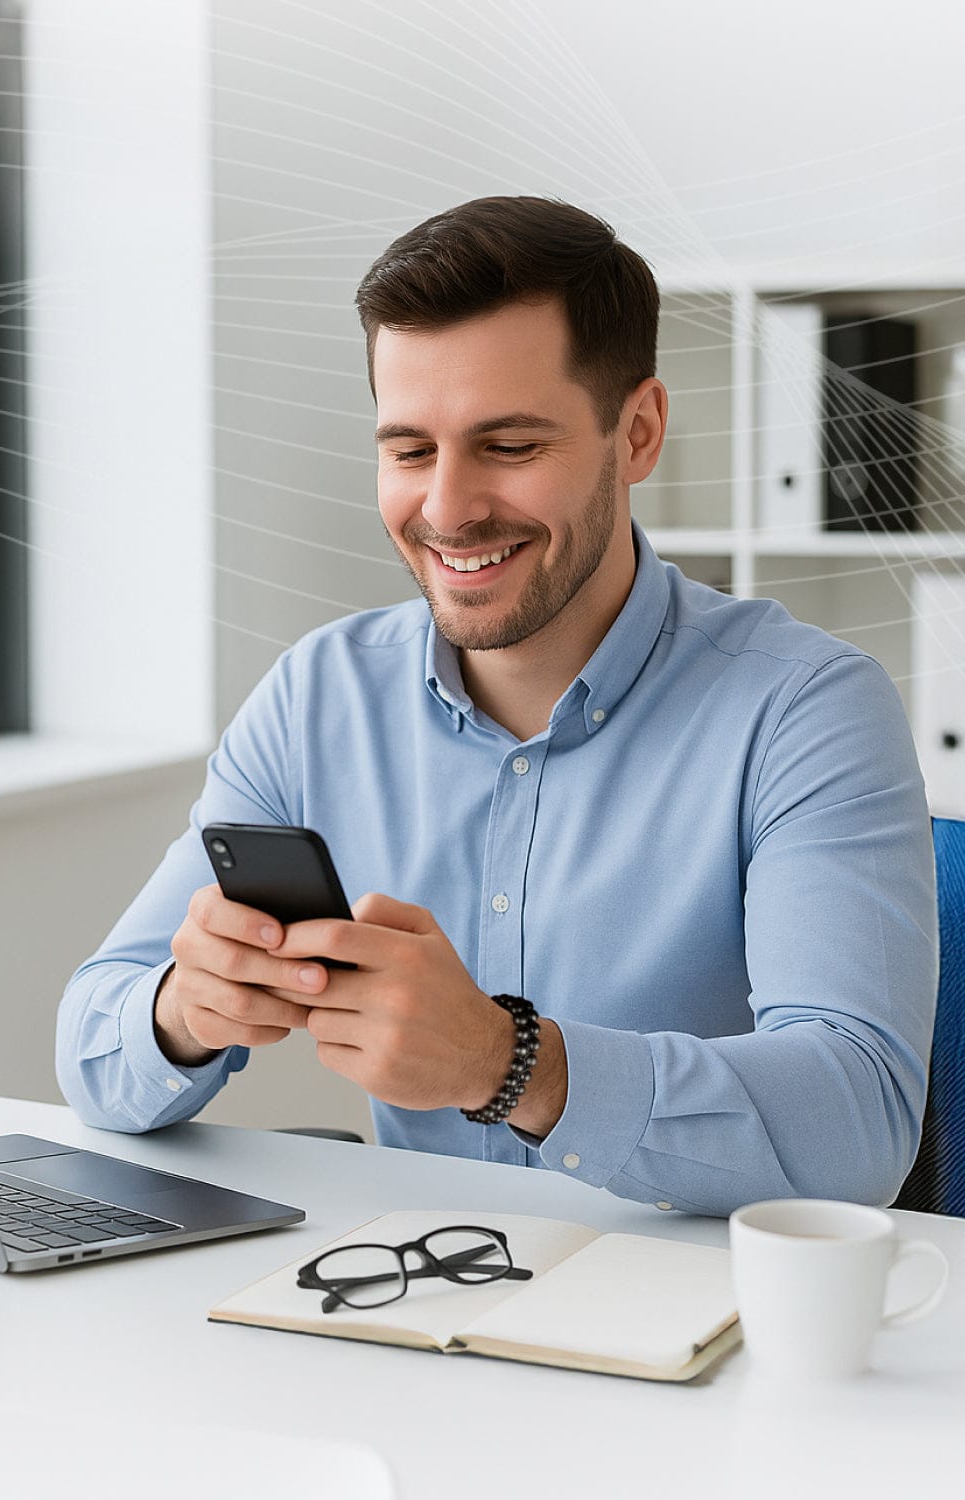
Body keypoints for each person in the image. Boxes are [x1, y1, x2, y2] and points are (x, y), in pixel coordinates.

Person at [56, 196, 936, 1217]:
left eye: (509, 447)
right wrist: (182, 1011)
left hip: (702, 1323)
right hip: (420, 1289)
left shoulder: (804, 708)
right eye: (409, 450)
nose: (447, 508)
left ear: (637, 431)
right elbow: (94, 1048)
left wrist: (512, 1063)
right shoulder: (317, 697)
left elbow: (858, 1126)